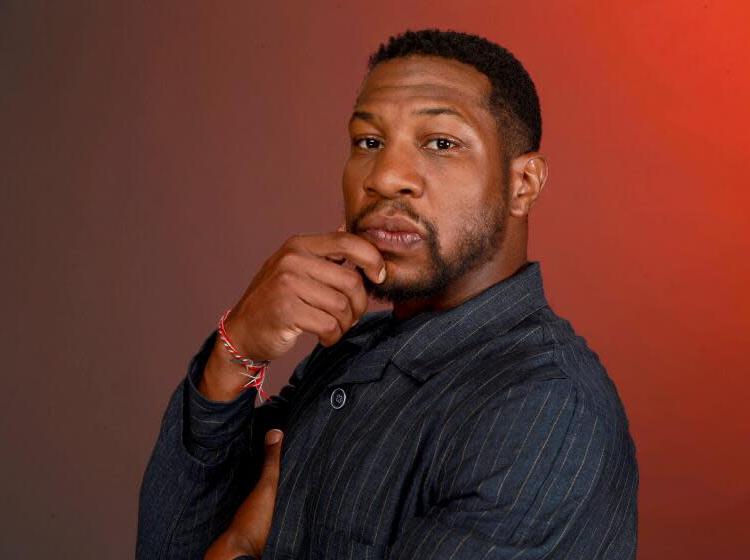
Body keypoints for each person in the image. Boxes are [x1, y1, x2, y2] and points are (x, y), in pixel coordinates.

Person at [137, 28, 638, 559]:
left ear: (523, 184)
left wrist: (238, 546)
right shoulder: (353, 350)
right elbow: (167, 547)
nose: (386, 176)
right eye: (369, 142)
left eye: (441, 143)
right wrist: (234, 354)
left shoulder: (546, 413)